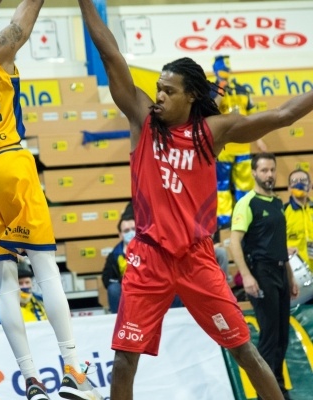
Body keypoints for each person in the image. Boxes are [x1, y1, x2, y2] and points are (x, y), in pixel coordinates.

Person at [77, 1, 313, 399]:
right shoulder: (143, 120)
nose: (159, 96)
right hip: (149, 257)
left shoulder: (211, 132)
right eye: (158, 88)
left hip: (197, 258)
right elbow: (110, 53)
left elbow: (283, 115)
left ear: (190, 97)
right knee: (124, 359)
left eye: (169, 91)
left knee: (246, 352)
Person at [0, 2, 102, 400]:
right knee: (45, 268)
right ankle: (73, 370)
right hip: (7, 161)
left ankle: (31, 381)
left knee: (3, 280)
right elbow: (21, 22)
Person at [230, 153, 299, 400]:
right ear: (253, 173)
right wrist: (247, 276)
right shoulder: (247, 203)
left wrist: (290, 276)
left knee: (282, 337)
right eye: (264, 170)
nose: (269, 175)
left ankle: (277, 389)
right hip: (261, 273)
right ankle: (265, 395)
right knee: (269, 337)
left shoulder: (277, 203)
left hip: (280, 272)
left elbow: (280, 243)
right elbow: (234, 242)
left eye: (272, 170)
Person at [211, 55, 266, 229]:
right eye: (222, 70)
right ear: (215, 71)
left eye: (226, 70)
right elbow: (211, 109)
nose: (225, 73)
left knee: (245, 185)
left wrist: (259, 139)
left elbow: (253, 118)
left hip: (243, 146)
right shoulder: (211, 89)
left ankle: (245, 217)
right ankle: (224, 221)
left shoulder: (242, 90)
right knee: (222, 185)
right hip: (223, 148)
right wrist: (221, 89)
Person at [0, 260, 47, 324]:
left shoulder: (40, 299)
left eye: (27, 282)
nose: (25, 287)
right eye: (20, 283)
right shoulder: (2, 307)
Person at [284, 169, 313, 272]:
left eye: (303, 180)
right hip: (295, 272)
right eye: (294, 181)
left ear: (310, 186)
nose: (299, 184)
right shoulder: (282, 212)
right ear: (289, 188)